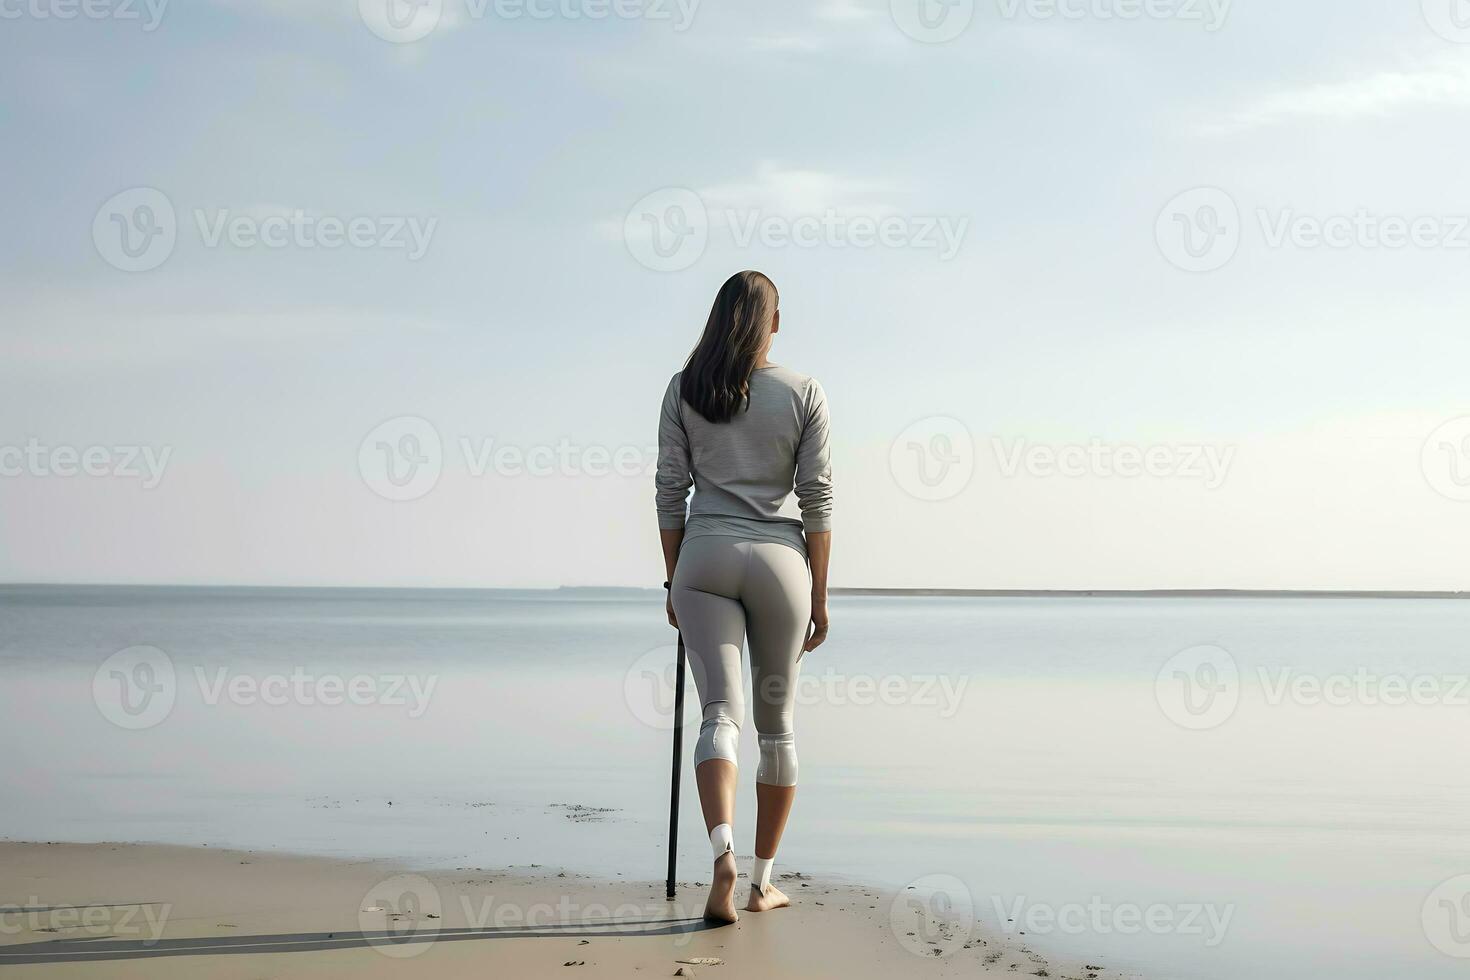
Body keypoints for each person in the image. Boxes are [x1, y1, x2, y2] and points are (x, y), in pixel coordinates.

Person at [655, 270, 833, 924]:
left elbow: (669, 491)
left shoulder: (684, 389)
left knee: (718, 717)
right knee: (776, 728)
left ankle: (721, 853)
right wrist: (820, 593)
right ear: (774, 323)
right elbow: (817, 499)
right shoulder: (803, 391)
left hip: (703, 557)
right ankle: (761, 882)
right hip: (782, 564)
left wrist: (675, 579)